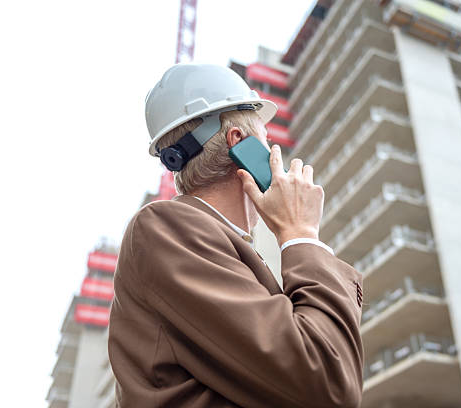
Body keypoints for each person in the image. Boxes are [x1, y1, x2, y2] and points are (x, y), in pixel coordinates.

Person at [108, 63, 364, 408]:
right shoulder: (166, 228)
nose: (273, 149)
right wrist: (301, 234)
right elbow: (327, 383)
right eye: (266, 138)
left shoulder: (218, 244)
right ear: (239, 142)